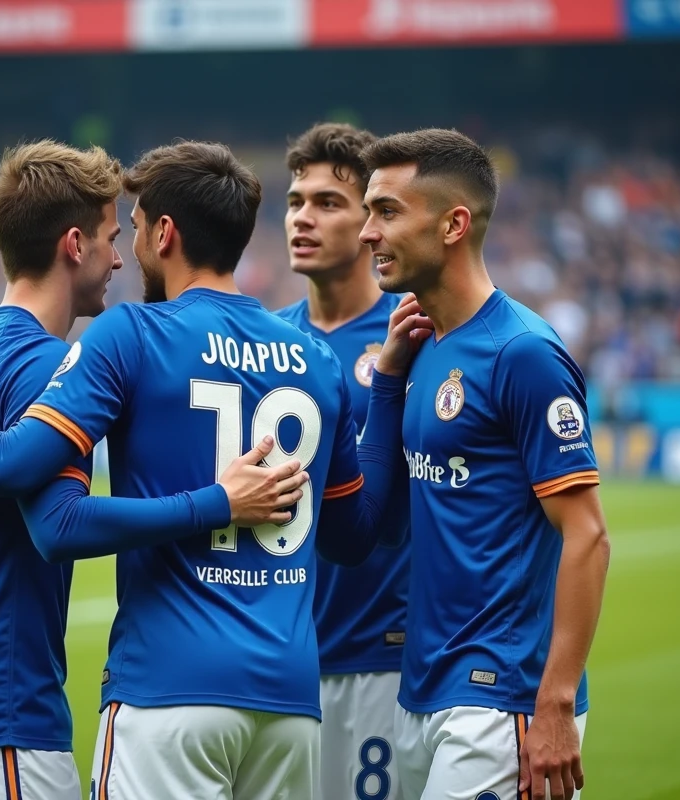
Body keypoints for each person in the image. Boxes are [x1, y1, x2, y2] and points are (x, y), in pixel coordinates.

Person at [0, 140, 427, 799]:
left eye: (136, 228)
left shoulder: (132, 334)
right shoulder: (315, 360)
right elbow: (356, 536)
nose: (126, 253)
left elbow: (45, 505)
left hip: (166, 690)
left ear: (165, 234)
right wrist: (387, 386)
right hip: (289, 704)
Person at [358, 128, 611, 800]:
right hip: (423, 690)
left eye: (386, 212)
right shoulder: (422, 347)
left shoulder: (522, 352)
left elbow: (588, 535)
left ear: (453, 225)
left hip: (505, 700)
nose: (367, 232)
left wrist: (554, 705)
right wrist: (387, 379)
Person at [275, 122, 409, 800]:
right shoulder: (267, 343)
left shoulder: (413, 334)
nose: (303, 217)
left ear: (370, 223)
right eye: (296, 201)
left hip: (385, 657)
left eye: (328, 203)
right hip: (283, 662)